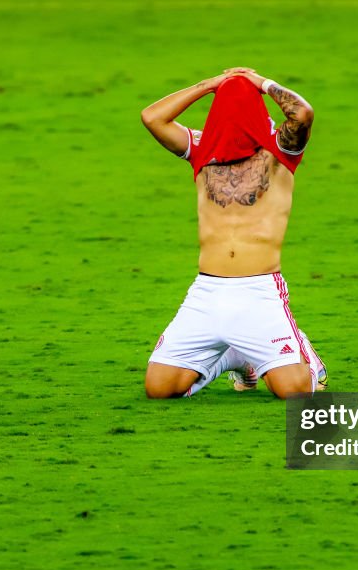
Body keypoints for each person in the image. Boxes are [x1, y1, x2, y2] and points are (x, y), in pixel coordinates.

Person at [141, 68, 327, 399]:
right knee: (159, 389)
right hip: (206, 292)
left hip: (261, 292)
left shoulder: (279, 151)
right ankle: (235, 355)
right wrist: (211, 85)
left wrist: (262, 84)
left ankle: (306, 355)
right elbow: (152, 117)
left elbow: (303, 113)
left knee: (295, 394)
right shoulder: (203, 148)